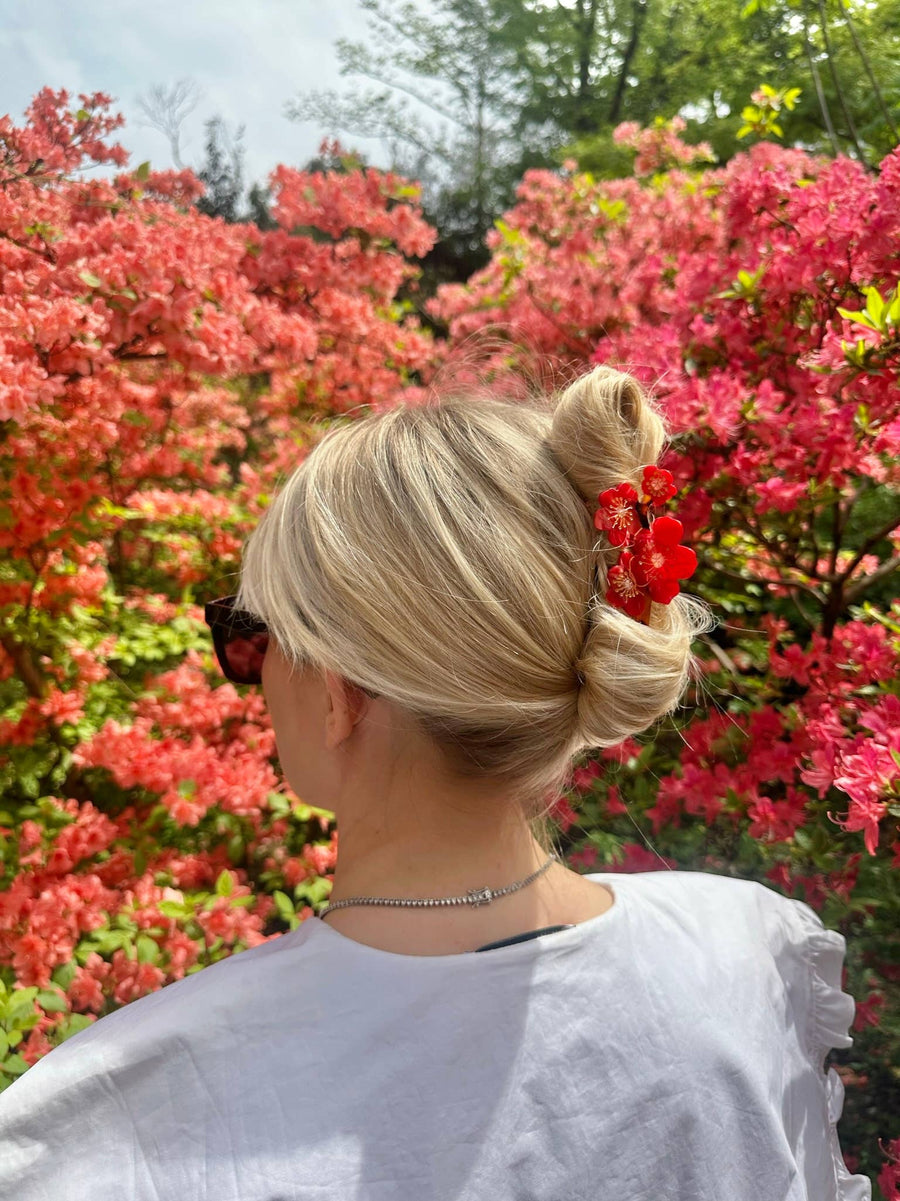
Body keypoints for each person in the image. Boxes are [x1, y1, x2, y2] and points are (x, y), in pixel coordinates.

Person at [0, 366, 871, 1201]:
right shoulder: (747, 957)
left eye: (253, 634)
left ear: (338, 692)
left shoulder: (134, 1112)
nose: (250, 670)